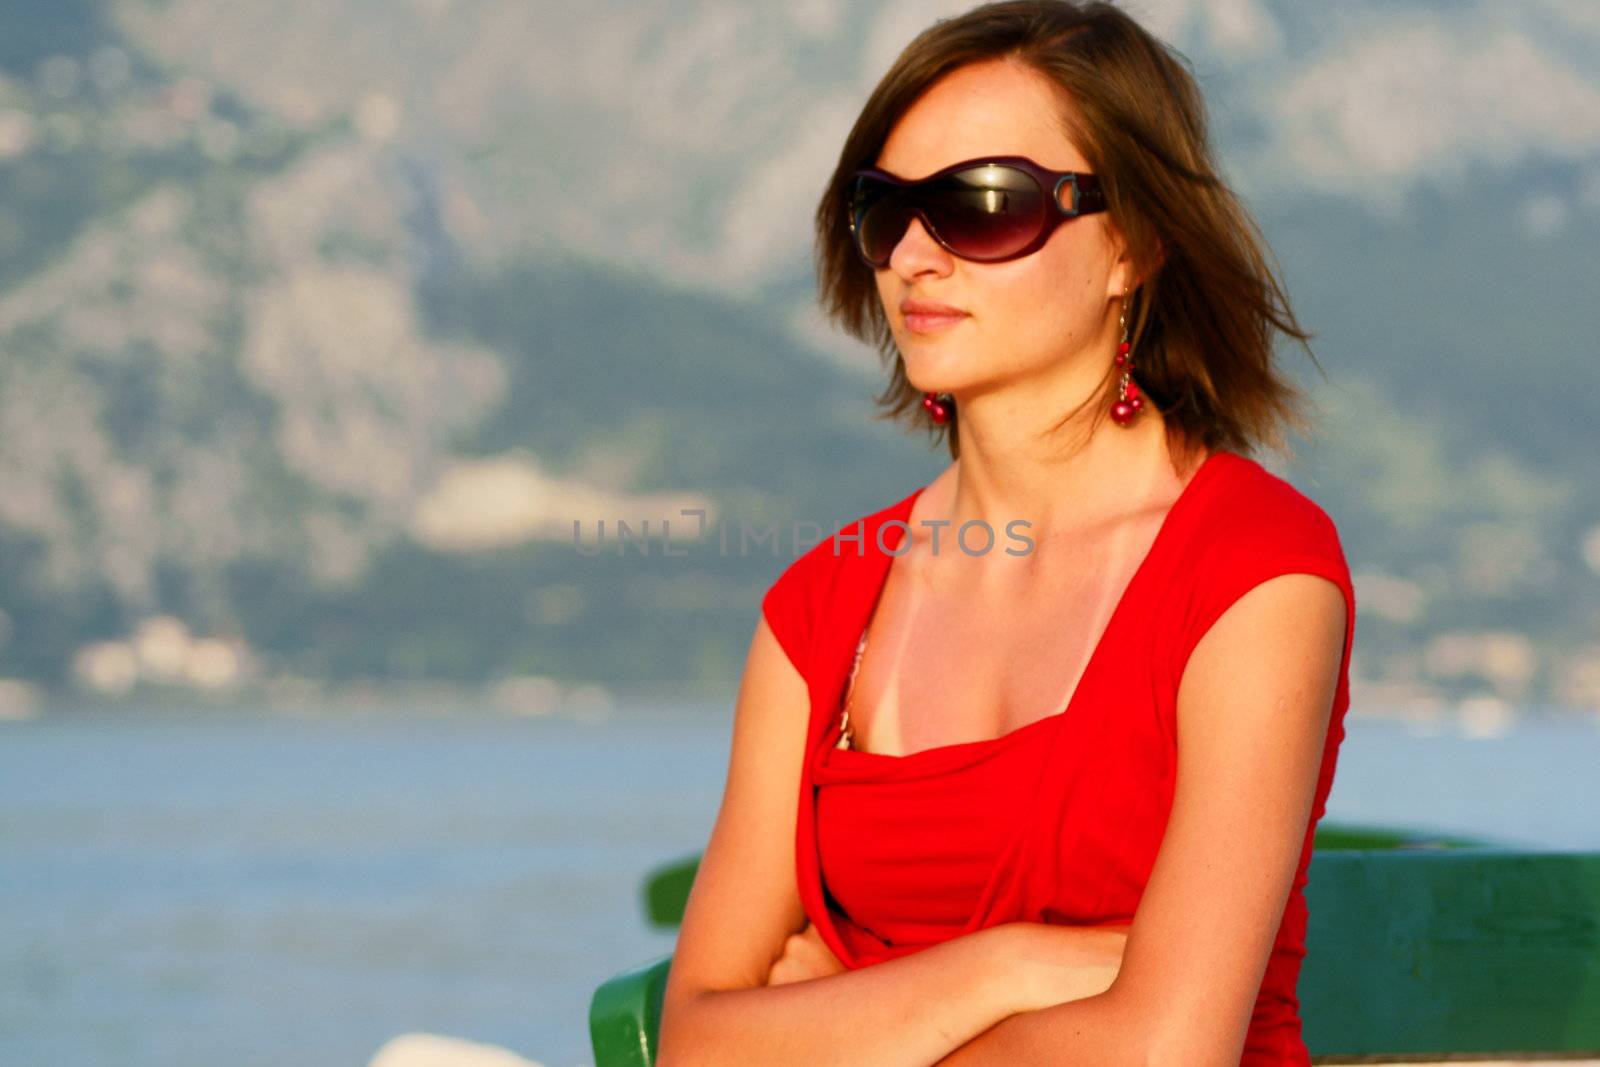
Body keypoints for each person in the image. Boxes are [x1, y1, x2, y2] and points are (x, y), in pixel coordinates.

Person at [656, 2, 1356, 1064]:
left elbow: (1164, 1050)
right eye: (883, 208)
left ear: (1132, 245)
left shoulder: (1251, 571)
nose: (915, 257)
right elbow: (698, 1040)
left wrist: (847, 1012)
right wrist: (1011, 964)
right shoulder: (817, 608)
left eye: (983, 205)